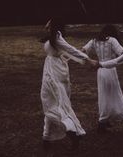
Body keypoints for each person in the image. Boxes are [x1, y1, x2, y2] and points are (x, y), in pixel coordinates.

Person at [40, 18, 94, 149]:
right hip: (50, 68)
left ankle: (73, 132)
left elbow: (71, 49)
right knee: (49, 102)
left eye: (49, 22)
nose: (46, 23)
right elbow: (61, 52)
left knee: (56, 103)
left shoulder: (57, 36)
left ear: (54, 25)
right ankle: (46, 138)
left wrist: (88, 59)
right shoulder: (52, 37)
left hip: (54, 72)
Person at [82, 25, 123, 132]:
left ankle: (105, 120)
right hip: (110, 69)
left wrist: (89, 60)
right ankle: (102, 121)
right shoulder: (112, 40)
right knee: (110, 94)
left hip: (100, 70)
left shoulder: (94, 40)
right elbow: (122, 52)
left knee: (104, 94)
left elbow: (83, 50)